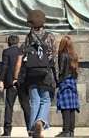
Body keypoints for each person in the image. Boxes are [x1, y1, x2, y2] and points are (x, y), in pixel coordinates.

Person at [14, 9, 57, 138]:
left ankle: (32, 131)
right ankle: (40, 121)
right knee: (46, 99)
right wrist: (56, 76)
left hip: (31, 73)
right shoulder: (50, 36)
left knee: (35, 101)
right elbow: (54, 58)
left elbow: (23, 55)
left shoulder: (28, 37)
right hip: (46, 73)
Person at [0, 35, 23, 136]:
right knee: (26, 106)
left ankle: (7, 131)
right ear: (17, 42)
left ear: (8, 42)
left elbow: (4, 66)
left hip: (10, 83)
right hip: (22, 83)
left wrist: (1, 80)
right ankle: (31, 129)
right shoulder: (21, 51)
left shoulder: (6, 52)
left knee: (9, 106)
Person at [56, 35, 80, 137]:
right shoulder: (74, 55)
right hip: (72, 83)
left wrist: (57, 81)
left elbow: (61, 70)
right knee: (72, 109)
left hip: (64, 82)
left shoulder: (63, 55)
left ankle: (65, 131)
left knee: (65, 108)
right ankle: (71, 131)